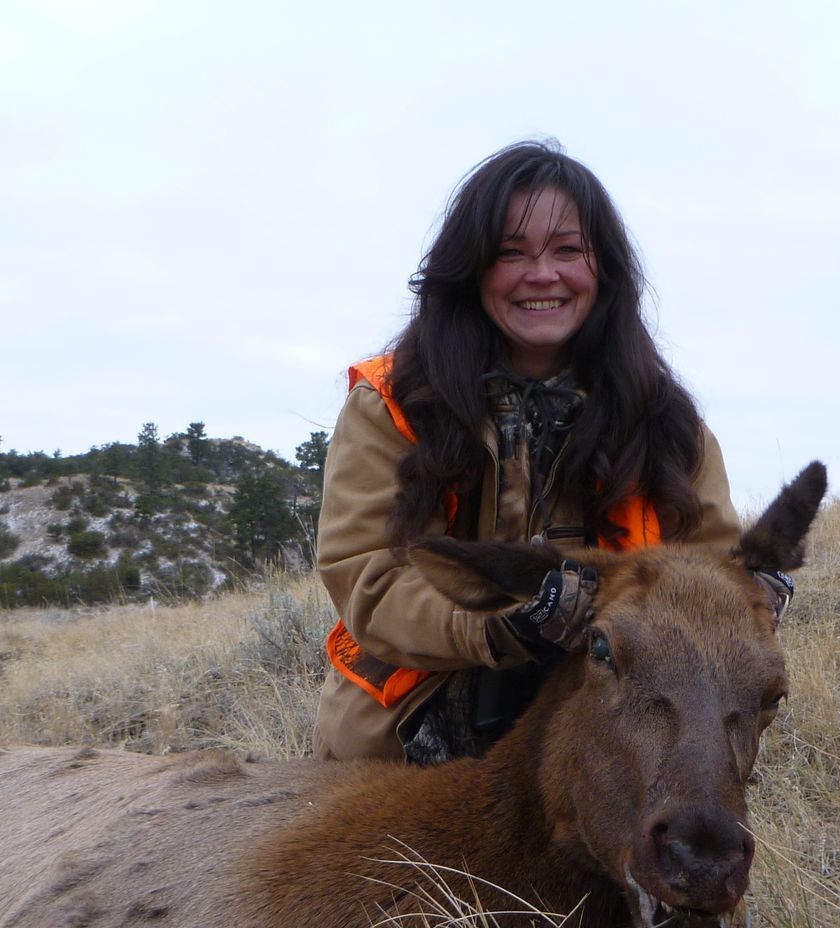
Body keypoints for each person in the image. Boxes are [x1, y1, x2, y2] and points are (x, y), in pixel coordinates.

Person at [313, 141, 740, 763]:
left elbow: (711, 567)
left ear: (604, 270)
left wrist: (745, 594)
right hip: (410, 732)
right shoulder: (393, 404)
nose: (543, 274)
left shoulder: (666, 421)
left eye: (568, 249)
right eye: (511, 252)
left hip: (617, 729)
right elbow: (369, 583)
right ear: (472, 271)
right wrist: (501, 626)